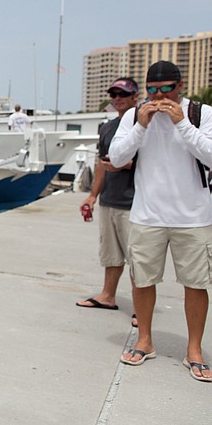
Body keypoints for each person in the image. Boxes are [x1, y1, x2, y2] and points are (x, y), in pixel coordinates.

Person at [109, 61, 212, 382]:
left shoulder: (201, 113)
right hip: (147, 214)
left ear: (180, 86)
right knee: (143, 280)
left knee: (195, 284)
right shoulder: (134, 115)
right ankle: (145, 341)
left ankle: (194, 349)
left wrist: (182, 124)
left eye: (166, 89)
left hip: (193, 217)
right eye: (152, 90)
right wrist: (140, 126)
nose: (159, 96)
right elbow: (116, 157)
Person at [76, 78, 138, 325]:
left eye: (123, 93)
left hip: (135, 202)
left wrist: (126, 163)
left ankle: (141, 307)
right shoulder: (108, 128)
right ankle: (107, 295)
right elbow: (102, 164)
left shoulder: (143, 124)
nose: (118, 98)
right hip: (110, 200)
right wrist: (93, 195)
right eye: (114, 93)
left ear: (135, 96)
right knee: (110, 254)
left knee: (138, 258)